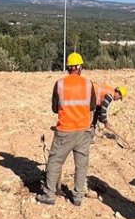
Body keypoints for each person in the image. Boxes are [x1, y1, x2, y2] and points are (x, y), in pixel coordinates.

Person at [39, 53, 99, 207]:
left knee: (54, 162)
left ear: (68, 67)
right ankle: (78, 196)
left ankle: (49, 195)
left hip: (65, 130)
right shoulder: (88, 84)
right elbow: (92, 106)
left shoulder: (59, 84)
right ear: (80, 67)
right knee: (81, 164)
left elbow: (54, 108)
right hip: (84, 130)